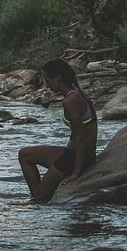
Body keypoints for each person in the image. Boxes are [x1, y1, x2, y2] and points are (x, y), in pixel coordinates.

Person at [18, 58, 98, 203]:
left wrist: (76, 172)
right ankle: (40, 194)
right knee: (25, 154)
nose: (47, 86)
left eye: (47, 80)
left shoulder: (70, 101)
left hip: (76, 157)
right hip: (74, 152)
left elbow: (80, 138)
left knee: (38, 199)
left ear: (57, 78)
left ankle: (39, 198)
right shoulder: (77, 93)